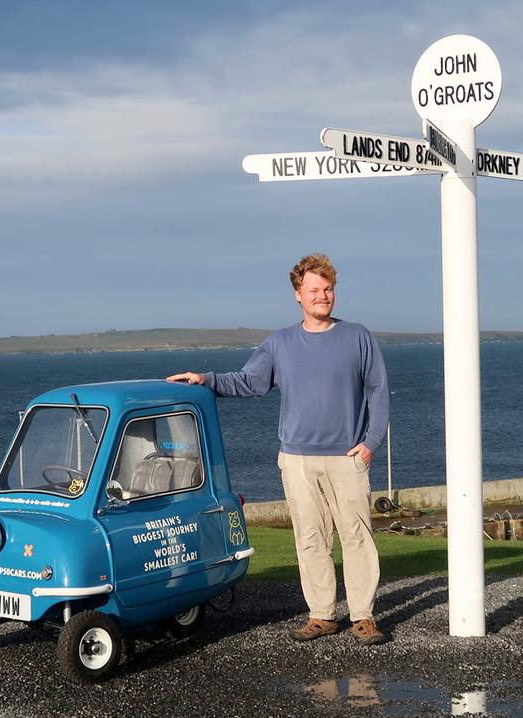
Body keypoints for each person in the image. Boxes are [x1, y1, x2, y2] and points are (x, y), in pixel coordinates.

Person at [167, 254, 390, 645]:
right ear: (298, 296)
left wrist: (371, 444)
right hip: (297, 458)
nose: (324, 296)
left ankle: (363, 617)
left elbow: (379, 392)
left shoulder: (358, 337)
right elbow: (249, 381)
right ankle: (322, 614)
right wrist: (205, 379)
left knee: (356, 537)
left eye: (328, 289)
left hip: (347, 457)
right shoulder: (280, 342)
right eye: (315, 290)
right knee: (309, 537)